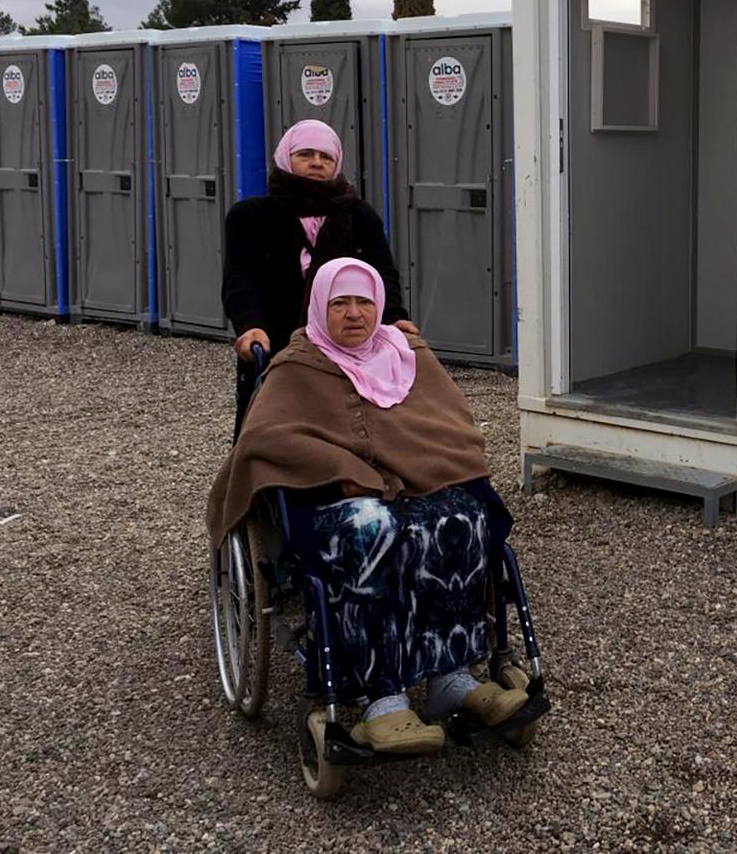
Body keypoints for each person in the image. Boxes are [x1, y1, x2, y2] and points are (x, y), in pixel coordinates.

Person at [207, 257, 526, 754]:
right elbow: (268, 441)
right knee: (371, 529)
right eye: (340, 303)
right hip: (335, 500)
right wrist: (351, 474)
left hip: (415, 490)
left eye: (364, 302)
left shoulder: (408, 354)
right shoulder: (296, 367)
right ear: (319, 308)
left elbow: (455, 428)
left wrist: (418, 473)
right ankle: (383, 697)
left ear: (378, 306)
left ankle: (452, 678)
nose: (353, 314)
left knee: (463, 520)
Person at [222, 119, 414, 435]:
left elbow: (382, 274)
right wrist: (249, 325)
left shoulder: (358, 215)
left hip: (344, 343)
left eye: (325, 157)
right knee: (269, 430)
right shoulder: (250, 217)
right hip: (275, 338)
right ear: (287, 158)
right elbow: (239, 279)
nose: (316, 163)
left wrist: (393, 318)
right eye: (306, 154)